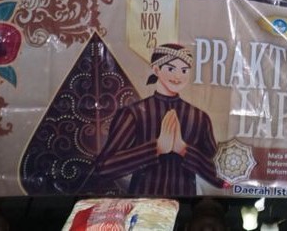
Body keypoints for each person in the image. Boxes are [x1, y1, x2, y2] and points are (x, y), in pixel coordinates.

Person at [85, 43, 224, 195]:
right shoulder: (134, 113)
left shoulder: (199, 117)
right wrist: (156, 148)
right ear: (156, 69)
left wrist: (183, 149)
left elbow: (218, 173)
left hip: (185, 206)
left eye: (184, 70)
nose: (178, 76)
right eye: (171, 69)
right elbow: (103, 167)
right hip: (141, 203)